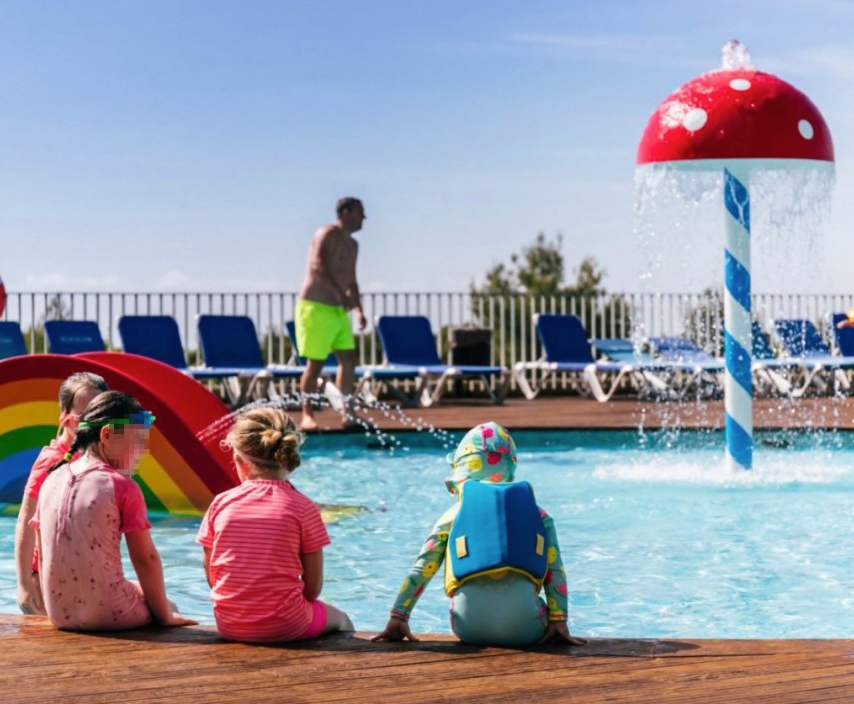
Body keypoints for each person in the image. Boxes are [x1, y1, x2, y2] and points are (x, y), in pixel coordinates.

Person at [372, 422, 586, 647]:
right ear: (510, 467)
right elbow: (555, 572)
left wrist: (399, 616)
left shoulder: (453, 515)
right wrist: (559, 621)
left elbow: (422, 567)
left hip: (466, 628)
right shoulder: (538, 515)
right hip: (528, 630)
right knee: (534, 603)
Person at [33, 390, 197, 631]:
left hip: (59, 614)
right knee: (167, 603)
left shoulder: (51, 479)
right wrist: (166, 616)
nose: (144, 450)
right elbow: (145, 558)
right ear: (107, 435)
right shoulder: (121, 486)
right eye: (139, 441)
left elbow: (45, 555)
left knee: (135, 588)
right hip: (112, 614)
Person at [197, 407, 353, 642]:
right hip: (288, 625)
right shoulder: (304, 508)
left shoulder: (220, 504)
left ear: (239, 460)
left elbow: (212, 576)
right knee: (341, 619)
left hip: (230, 624)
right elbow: (312, 590)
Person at [14, 371, 108, 615]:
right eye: (83, 417)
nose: (91, 425)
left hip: (82, 576)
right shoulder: (53, 461)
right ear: (64, 417)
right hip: (47, 579)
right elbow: (26, 519)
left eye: (98, 417)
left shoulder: (100, 460)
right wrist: (24, 584)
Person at [295, 196, 367, 431]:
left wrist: (358, 309)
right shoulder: (325, 234)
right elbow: (317, 267)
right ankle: (307, 414)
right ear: (345, 212)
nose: (363, 218)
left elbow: (352, 280)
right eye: (359, 212)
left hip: (338, 311)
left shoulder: (353, 245)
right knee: (315, 364)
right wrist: (339, 295)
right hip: (315, 307)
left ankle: (347, 413)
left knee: (348, 359)